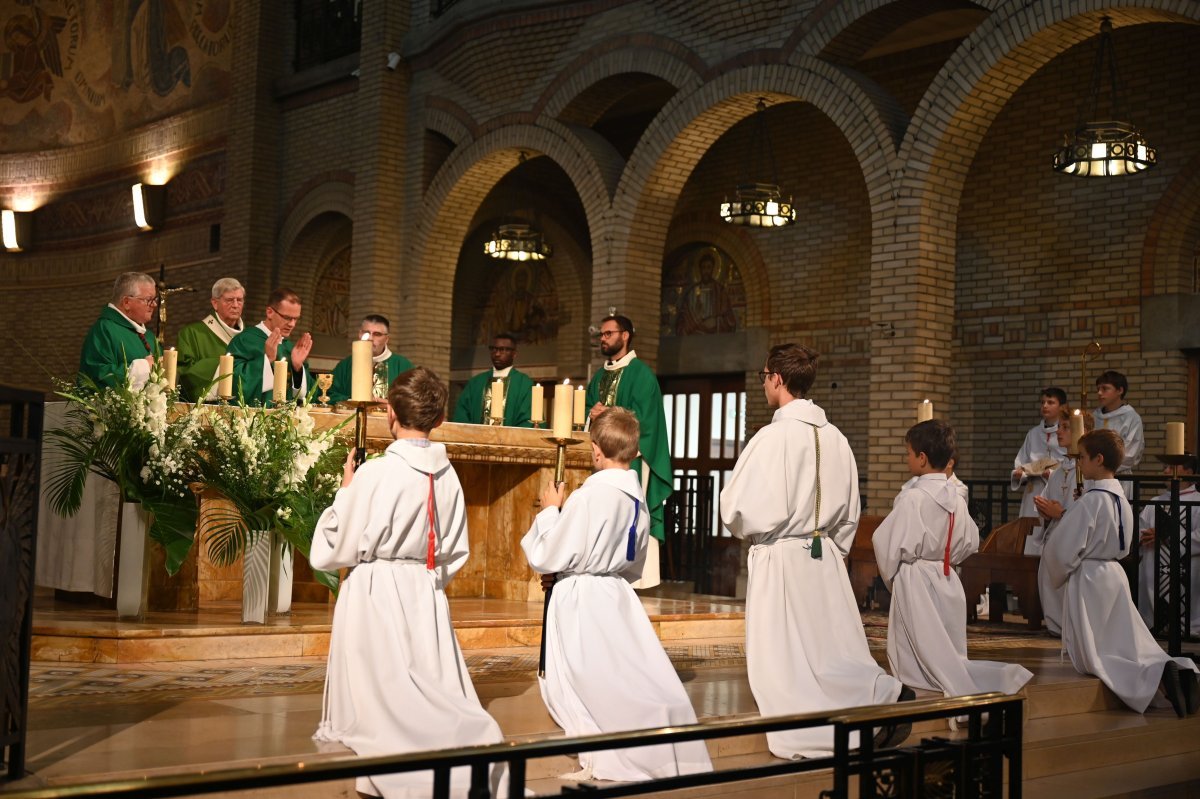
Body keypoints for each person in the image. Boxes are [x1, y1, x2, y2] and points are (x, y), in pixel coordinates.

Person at [311, 367, 506, 797]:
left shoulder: (376, 473)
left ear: (388, 412)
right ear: (438, 419)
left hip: (375, 591)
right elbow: (456, 548)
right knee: (423, 678)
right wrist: (424, 579)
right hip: (424, 588)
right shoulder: (448, 474)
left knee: (383, 696)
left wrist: (345, 491)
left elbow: (336, 545)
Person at [719, 344, 908, 759]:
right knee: (830, 649)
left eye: (764, 375)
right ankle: (882, 692)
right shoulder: (836, 437)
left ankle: (840, 733)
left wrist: (754, 531)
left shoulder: (772, 437)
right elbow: (851, 508)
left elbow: (736, 507)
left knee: (787, 666)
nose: (764, 383)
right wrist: (832, 549)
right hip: (824, 558)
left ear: (778, 379)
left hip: (782, 559)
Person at [521, 407, 712, 782]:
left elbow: (551, 552)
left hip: (583, 597)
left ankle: (623, 747)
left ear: (595, 450)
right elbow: (634, 558)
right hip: (615, 592)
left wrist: (549, 512)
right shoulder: (635, 497)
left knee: (598, 679)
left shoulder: (590, 496)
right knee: (630, 670)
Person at [1042, 429, 1199, 718]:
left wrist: (1055, 570)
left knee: (1099, 655)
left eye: (1085, 458)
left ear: (1098, 460)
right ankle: (1169, 669)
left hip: (1089, 577)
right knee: (1123, 641)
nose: (1081, 464)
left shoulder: (1090, 501)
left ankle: (1159, 675)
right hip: (1114, 574)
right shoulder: (1119, 497)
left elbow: (1063, 548)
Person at [874, 420, 1033, 700]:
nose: (907, 458)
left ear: (921, 459)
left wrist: (893, 578)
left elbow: (886, 543)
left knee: (918, 648)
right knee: (946, 648)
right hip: (947, 575)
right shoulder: (956, 498)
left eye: (908, 453)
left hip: (916, 577)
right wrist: (946, 558)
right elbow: (970, 540)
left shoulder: (913, 499)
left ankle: (927, 689)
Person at [585, 314, 671, 587]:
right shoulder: (598, 376)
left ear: (625, 336)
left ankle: (637, 577)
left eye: (609, 333)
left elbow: (646, 420)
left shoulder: (642, 375)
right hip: (599, 462)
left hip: (629, 460)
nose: (603, 338)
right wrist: (592, 415)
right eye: (601, 334)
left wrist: (608, 413)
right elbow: (588, 413)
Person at [1031, 408, 1094, 636]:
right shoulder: (1059, 471)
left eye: (1066, 427)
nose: (1059, 431)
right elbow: (1049, 501)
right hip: (1055, 535)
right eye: (1059, 426)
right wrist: (1044, 510)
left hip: (1074, 540)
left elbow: (1091, 511)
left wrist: (1062, 513)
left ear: (1083, 431)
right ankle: (1056, 627)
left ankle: (1073, 629)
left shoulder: (1088, 471)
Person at [1136, 460, 1200, 635]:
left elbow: (1199, 537)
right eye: (1165, 467)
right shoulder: (1156, 501)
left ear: (1189, 472)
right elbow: (1141, 530)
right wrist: (1145, 535)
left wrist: (1166, 537)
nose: (1165, 471)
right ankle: (1154, 626)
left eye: (1171, 467)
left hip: (1186, 568)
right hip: (1152, 566)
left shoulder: (1198, 502)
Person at [226, 287, 312, 406]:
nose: (292, 324)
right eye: (287, 318)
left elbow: (306, 396)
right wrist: (266, 359)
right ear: (270, 312)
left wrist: (297, 368)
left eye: (296, 319)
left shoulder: (289, 347)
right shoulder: (245, 340)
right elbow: (232, 382)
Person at [78, 272, 160, 390]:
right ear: (126, 302)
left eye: (155, 299)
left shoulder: (149, 337)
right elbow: (98, 375)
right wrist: (144, 367)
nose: (155, 304)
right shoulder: (104, 330)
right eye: (149, 300)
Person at [175, 278, 245, 402]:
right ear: (214, 303)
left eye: (239, 300)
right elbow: (185, 374)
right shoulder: (192, 333)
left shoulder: (248, 337)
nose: (235, 305)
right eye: (229, 300)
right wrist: (224, 365)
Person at [327, 314, 414, 403]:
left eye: (377, 334)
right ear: (360, 334)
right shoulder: (346, 364)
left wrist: (389, 404)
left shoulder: (403, 365)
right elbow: (328, 394)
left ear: (387, 339)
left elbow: (413, 401)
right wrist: (351, 401)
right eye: (366, 333)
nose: (370, 338)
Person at [451, 333, 533, 426]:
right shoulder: (476, 382)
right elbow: (462, 416)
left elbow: (528, 419)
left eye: (502, 350)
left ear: (514, 354)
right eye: (494, 349)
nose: (497, 354)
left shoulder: (523, 384)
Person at [1011, 388, 1068, 518]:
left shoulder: (1067, 433)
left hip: (1059, 489)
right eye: (1042, 402)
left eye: (1050, 402)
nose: (1045, 406)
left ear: (1062, 407)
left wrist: (1054, 473)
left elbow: (1072, 463)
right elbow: (1021, 462)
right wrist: (1019, 473)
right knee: (1031, 532)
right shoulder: (1033, 433)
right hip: (1034, 489)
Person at [1093, 370, 1144, 498]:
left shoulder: (1131, 418)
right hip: (1093, 478)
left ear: (1120, 390)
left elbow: (1130, 454)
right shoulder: (1093, 417)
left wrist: (1101, 468)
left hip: (1119, 479)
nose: (1099, 393)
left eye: (1105, 389)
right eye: (1098, 389)